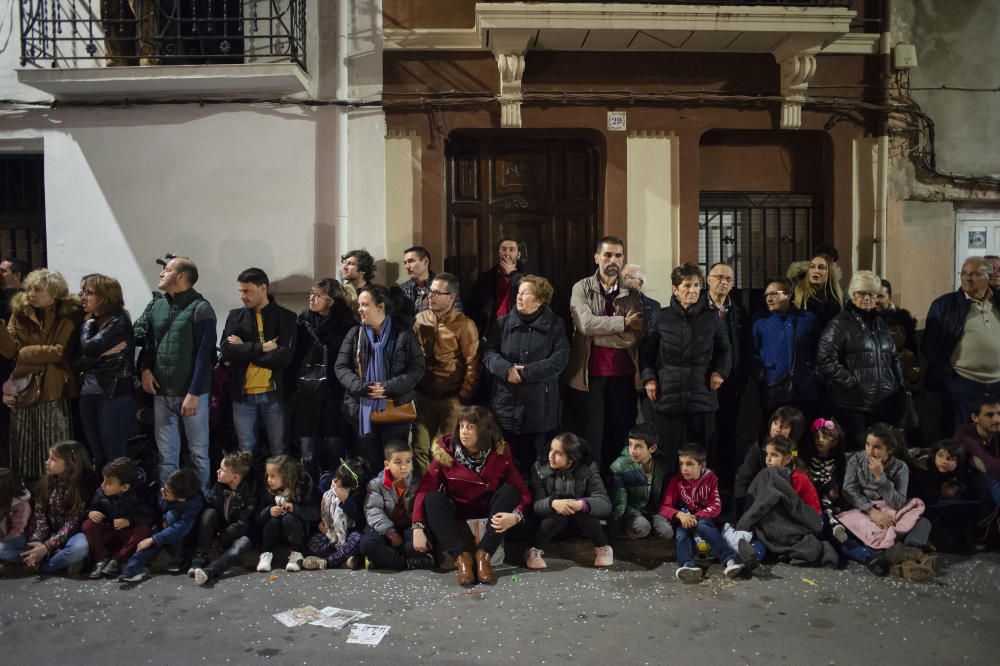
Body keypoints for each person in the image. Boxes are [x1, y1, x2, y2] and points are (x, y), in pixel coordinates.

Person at [411, 406, 530, 586]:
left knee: (509, 492)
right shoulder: (446, 453)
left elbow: (523, 492)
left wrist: (516, 516)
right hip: (458, 510)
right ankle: (462, 558)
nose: (464, 432)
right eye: (461, 426)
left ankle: (484, 554)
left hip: (488, 510)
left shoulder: (499, 452)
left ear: (484, 430)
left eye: (471, 427)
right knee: (432, 499)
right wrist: (417, 527)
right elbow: (425, 488)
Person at [139, 256, 216, 499]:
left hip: (192, 395)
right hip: (162, 393)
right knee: (166, 456)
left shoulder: (201, 308)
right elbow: (149, 344)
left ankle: (200, 502)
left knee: (198, 453)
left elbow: (206, 355)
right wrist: (145, 369)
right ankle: (168, 502)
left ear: (181, 276)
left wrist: (193, 393)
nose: (162, 273)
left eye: (168, 269)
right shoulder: (157, 306)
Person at [640, 263, 731, 470]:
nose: (693, 290)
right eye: (687, 286)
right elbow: (646, 353)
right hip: (667, 397)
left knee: (702, 454)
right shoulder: (661, 317)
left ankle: (703, 500)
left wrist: (719, 372)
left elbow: (725, 350)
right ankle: (667, 500)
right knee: (667, 456)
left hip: (702, 397)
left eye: (697, 285)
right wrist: (649, 379)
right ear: (675, 289)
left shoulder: (712, 318)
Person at [566, 236, 644, 473]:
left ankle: (616, 490)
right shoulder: (581, 288)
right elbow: (585, 325)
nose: (613, 260)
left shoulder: (632, 293)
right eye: (608, 255)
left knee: (619, 435)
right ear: (597, 257)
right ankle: (594, 490)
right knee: (592, 438)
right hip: (590, 377)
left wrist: (596, 331)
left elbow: (635, 335)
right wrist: (621, 323)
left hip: (624, 375)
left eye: (618, 255)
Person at [0, 269, 82, 484]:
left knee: (54, 447)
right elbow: (9, 351)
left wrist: (25, 353)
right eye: (29, 289)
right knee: (25, 450)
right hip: (25, 389)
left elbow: (59, 352)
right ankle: (30, 501)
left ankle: (58, 494)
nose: (30, 293)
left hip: (53, 390)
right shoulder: (20, 314)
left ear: (54, 294)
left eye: (37, 289)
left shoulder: (67, 314)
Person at [483, 275, 569, 473]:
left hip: (539, 405)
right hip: (505, 403)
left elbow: (559, 360)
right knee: (503, 460)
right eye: (519, 292)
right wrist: (507, 370)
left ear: (540, 300)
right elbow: (489, 353)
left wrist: (526, 373)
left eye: (525, 293)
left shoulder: (556, 325)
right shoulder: (502, 323)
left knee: (536, 463)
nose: (519, 297)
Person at [335, 284, 425, 472]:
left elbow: (417, 368)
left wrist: (388, 387)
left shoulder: (403, 334)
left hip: (396, 407)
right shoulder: (355, 333)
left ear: (381, 306)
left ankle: (397, 500)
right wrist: (362, 387)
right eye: (359, 305)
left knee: (395, 465)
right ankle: (371, 500)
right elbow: (341, 367)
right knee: (367, 463)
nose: (360, 309)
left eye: (365, 305)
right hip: (362, 409)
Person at [817, 270, 904, 450]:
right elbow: (825, 359)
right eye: (862, 293)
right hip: (853, 405)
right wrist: (851, 382)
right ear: (853, 294)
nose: (867, 298)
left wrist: (898, 383)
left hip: (883, 403)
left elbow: (893, 355)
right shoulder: (839, 323)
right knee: (857, 453)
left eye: (872, 294)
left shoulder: (880, 323)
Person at [836, 423, 932, 576]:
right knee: (845, 527)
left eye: (877, 447)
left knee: (923, 522)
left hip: (892, 509)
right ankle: (904, 555)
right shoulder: (857, 460)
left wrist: (881, 478)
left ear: (890, 449)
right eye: (868, 444)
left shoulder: (900, 467)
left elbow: (899, 502)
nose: (870, 451)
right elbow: (849, 491)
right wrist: (871, 510)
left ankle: (907, 555)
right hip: (864, 510)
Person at [219, 268, 297, 456]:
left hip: (274, 395)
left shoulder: (285, 317)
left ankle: (279, 485)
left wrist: (244, 348)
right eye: (240, 291)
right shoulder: (236, 316)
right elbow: (227, 352)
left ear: (263, 288)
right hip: (243, 395)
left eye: (247, 291)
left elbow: (283, 358)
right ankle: (249, 486)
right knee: (245, 451)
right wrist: (261, 348)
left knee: (279, 449)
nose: (242, 296)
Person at [411, 272, 479, 473]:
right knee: (419, 449)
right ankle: (423, 492)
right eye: (430, 292)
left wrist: (463, 396)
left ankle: (443, 492)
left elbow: (473, 364)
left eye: (437, 293)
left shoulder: (464, 324)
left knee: (446, 450)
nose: (431, 296)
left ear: (452, 297)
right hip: (423, 396)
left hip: (451, 398)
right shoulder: (420, 319)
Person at [922, 257, 1000, 431]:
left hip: (997, 383)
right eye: (964, 273)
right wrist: (950, 378)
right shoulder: (944, 305)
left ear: (989, 276)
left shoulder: (997, 302)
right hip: (963, 383)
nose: (967, 278)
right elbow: (930, 346)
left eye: (974, 274)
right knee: (962, 436)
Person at [291, 279, 356, 481]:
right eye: (311, 293)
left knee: (334, 447)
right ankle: (308, 490)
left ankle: (335, 489)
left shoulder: (347, 324)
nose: (312, 298)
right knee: (307, 448)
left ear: (332, 301)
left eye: (318, 295)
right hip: (308, 392)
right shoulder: (304, 319)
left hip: (334, 392)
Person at [736, 436, 834, 569]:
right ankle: (752, 557)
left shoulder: (794, 477)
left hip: (801, 522)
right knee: (763, 536)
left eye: (774, 455)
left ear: (787, 458)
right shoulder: (770, 474)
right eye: (767, 454)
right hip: (787, 522)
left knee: (771, 535)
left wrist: (744, 523)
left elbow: (792, 505)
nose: (768, 459)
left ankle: (757, 555)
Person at [0, 441, 95, 574]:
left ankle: (42, 565)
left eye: (53, 459)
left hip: (71, 535)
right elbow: (40, 518)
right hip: (48, 534)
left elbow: (72, 524)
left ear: (71, 463)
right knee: (3, 549)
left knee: (80, 548)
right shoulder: (47, 481)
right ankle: (49, 560)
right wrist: (37, 544)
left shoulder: (83, 486)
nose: (47, 462)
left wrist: (46, 547)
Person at [659, 443, 748, 583]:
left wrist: (697, 516)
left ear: (702, 465)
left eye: (689, 464)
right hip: (683, 519)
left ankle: (730, 559)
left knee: (704, 526)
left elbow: (716, 506)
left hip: (702, 518)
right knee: (681, 535)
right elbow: (664, 506)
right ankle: (687, 565)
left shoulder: (711, 479)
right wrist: (680, 515)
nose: (684, 468)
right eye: (681, 464)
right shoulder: (676, 481)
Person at [524, 432, 613, 570]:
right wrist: (552, 503)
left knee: (582, 508)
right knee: (560, 510)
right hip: (552, 524)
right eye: (551, 449)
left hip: (580, 526)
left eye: (558, 453)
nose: (551, 455)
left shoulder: (588, 468)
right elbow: (535, 506)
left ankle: (603, 547)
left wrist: (581, 504)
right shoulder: (539, 469)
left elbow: (605, 504)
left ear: (571, 459)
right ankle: (533, 550)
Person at [75, 274, 135, 472]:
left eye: (89, 292)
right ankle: (102, 497)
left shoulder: (118, 321)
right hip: (88, 393)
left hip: (113, 393)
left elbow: (89, 348)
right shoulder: (89, 322)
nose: (82, 296)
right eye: (82, 291)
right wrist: (104, 355)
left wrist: (89, 328)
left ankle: (120, 499)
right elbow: (75, 362)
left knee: (114, 454)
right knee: (97, 453)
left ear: (105, 296)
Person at [705, 262, 750, 494]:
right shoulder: (700, 308)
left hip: (731, 385)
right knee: (707, 437)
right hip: (705, 384)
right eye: (719, 277)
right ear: (708, 279)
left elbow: (743, 347)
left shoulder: (738, 311)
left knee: (728, 436)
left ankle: (724, 490)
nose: (723, 282)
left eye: (728, 279)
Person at [119, 467, 203, 583]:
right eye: (164, 487)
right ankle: (131, 570)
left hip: (185, 535)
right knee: (152, 536)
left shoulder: (193, 504)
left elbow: (181, 527)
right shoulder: (166, 489)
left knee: (170, 518)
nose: (163, 491)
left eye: (167, 492)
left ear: (181, 498)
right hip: (160, 523)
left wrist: (154, 539)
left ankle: (176, 558)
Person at [752, 277, 821, 418]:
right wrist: (761, 373)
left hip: (805, 385)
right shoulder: (760, 321)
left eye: (774, 293)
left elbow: (820, 348)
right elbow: (752, 351)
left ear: (789, 295)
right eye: (766, 295)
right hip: (773, 386)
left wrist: (815, 372)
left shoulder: (807, 318)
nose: (769, 298)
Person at [360, 441, 434, 571]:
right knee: (367, 544)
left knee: (423, 543)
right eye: (398, 462)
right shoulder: (376, 484)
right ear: (387, 464)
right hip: (385, 531)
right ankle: (407, 563)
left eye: (408, 461)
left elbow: (421, 510)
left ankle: (382, 561)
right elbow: (373, 511)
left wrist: (419, 530)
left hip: (408, 529)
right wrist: (391, 533)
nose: (404, 467)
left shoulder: (417, 482)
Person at [912, 438, 995, 553]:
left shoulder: (970, 474)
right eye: (940, 456)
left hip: (963, 518)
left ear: (959, 461)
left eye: (950, 459)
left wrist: (959, 489)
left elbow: (982, 500)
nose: (944, 461)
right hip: (932, 517)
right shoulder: (925, 471)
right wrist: (938, 490)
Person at [189, 450, 258, 586]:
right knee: (209, 513)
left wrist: (220, 540)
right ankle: (200, 557)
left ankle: (210, 571)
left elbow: (242, 524)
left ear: (235, 478)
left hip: (243, 534)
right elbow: (210, 504)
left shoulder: (250, 492)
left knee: (240, 546)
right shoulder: (219, 485)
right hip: (223, 528)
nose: (217, 471)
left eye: (222, 470)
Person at [82, 457, 153, 579]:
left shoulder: (140, 493)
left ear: (124, 487)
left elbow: (148, 515)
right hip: (109, 531)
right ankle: (101, 559)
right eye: (103, 480)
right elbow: (88, 508)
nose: (103, 485)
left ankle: (118, 559)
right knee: (88, 524)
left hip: (126, 534)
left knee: (144, 529)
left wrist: (130, 522)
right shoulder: (101, 492)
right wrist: (91, 513)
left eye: (109, 483)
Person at [734, 406, 806, 516]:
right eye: (775, 422)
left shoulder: (794, 451)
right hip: (759, 503)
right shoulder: (759, 447)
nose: (777, 429)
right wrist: (743, 512)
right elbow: (743, 479)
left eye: (784, 427)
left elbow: (796, 465)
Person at [608, 422, 673, 540]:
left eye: (638, 446)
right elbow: (619, 501)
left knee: (666, 532)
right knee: (642, 527)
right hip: (633, 510)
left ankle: (652, 533)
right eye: (630, 444)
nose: (632, 450)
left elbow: (667, 496)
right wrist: (616, 530)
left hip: (654, 510)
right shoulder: (620, 466)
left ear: (652, 448)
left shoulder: (662, 465)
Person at [304, 457, 370, 570]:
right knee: (313, 542)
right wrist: (320, 525)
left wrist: (346, 501)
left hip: (348, 536)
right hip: (332, 536)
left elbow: (360, 519)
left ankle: (327, 562)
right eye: (335, 477)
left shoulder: (359, 495)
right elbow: (322, 515)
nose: (334, 482)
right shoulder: (327, 490)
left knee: (357, 539)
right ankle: (344, 561)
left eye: (339, 482)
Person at [256, 454, 318, 573]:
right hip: (275, 532)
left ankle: (296, 554)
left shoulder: (303, 487)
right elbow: (257, 517)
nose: (269, 480)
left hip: (297, 532)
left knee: (289, 518)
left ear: (286, 476)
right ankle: (266, 553)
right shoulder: (266, 490)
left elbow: (314, 513)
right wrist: (268, 511)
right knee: (272, 521)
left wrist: (295, 508)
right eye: (268, 475)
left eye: (273, 476)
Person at [799, 417, 849, 543]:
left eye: (825, 438)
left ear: (834, 441)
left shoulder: (839, 458)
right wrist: (791, 452)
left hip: (828, 491)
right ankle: (832, 525)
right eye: (817, 437)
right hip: (811, 489)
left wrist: (834, 486)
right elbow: (794, 453)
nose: (820, 440)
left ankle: (832, 526)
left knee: (827, 502)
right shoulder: (807, 453)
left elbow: (839, 475)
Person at [621, 264, 661, 423]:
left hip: (644, 365)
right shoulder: (613, 304)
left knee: (648, 418)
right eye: (622, 277)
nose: (623, 281)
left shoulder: (653, 306)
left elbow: (651, 337)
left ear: (640, 283)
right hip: (620, 364)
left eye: (628, 277)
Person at [467, 238, 524, 339]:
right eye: (503, 249)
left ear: (518, 255)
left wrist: (513, 274)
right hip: (491, 330)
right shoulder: (485, 278)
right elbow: (473, 307)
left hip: (516, 331)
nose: (507, 253)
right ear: (499, 252)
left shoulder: (526, 278)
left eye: (511, 250)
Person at [953, 395, 1000, 506]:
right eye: (990, 415)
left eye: (999, 414)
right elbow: (988, 466)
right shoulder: (964, 433)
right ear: (975, 418)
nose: (997, 419)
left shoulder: (996, 432)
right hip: (967, 483)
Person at [790, 246, 844, 328]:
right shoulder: (798, 292)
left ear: (830, 271)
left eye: (821, 267)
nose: (816, 271)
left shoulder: (836, 297)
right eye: (812, 267)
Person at [401, 246, 463, 314]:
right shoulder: (403, 289)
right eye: (405, 263)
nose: (407, 266)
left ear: (425, 261)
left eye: (411, 261)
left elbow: (457, 315)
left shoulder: (444, 285)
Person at [0, 467, 31, 548]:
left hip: (16, 539)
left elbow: (16, 532)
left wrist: (3, 541)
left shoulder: (22, 506)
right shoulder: (3, 500)